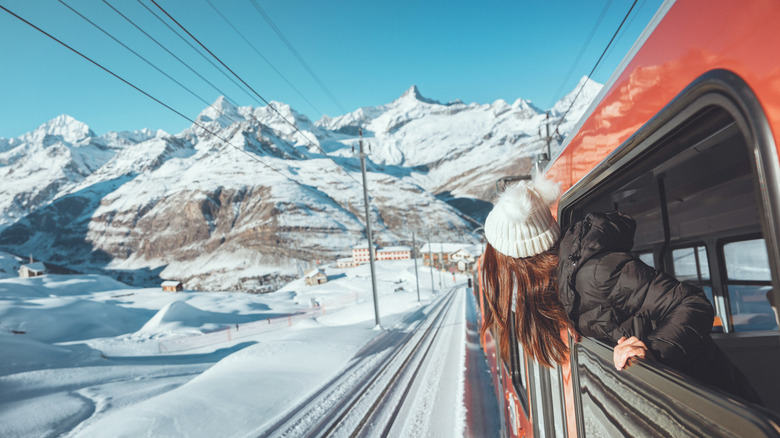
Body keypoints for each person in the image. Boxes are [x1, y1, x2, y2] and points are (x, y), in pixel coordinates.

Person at [479, 175, 761, 403]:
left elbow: (692, 303)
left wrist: (650, 353)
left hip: (717, 399)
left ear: (521, 263)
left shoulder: (595, 273)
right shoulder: (568, 282)